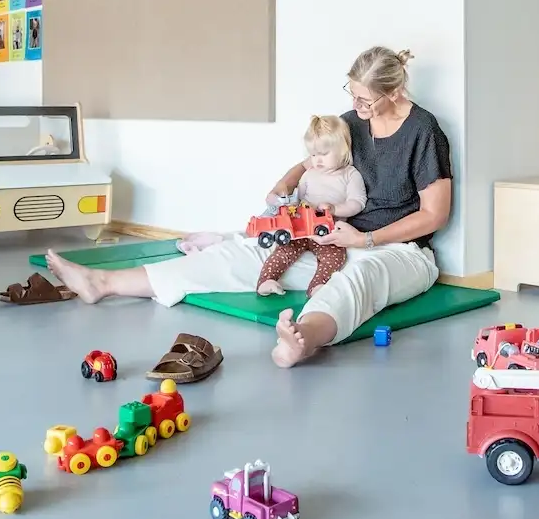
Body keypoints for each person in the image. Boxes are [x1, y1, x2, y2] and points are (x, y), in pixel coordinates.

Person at [45, 46, 451, 367]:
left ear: (394, 92)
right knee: (244, 252)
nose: (358, 107)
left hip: (397, 250)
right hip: (331, 239)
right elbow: (310, 162)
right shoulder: (350, 122)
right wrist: (284, 185)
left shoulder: (423, 131)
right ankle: (104, 283)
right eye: (353, 94)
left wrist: (366, 239)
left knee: (360, 279)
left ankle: (303, 338)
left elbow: (434, 215)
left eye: (366, 100)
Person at [252, 114, 368, 295]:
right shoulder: (309, 173)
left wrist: (335, 209)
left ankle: (317, 286)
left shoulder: (350, 175)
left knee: (335, 257)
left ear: (343, 149)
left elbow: (358, 202)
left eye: (324, 154)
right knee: (284, 250)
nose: (317, 160)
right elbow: (298, 197)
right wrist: (287, 204)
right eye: (313, 154)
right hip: (301, 228)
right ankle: (266, 280)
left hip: (329, 232)